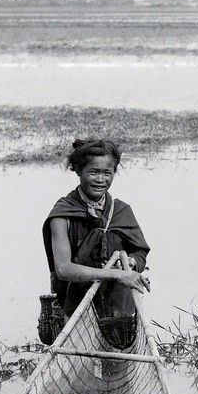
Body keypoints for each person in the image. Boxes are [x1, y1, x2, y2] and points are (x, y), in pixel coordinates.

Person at [42, 139, 151, 325]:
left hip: (119, 308)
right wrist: (118, 275)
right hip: (76, 307)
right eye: (93, 172)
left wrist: (131, 263)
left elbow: (140, 252)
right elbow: (64, 269)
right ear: (78, 171)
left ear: (114, 172)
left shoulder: (121, 211)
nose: (101, 180)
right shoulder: (62, 214)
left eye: (107, 173)